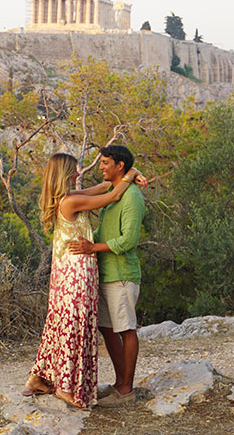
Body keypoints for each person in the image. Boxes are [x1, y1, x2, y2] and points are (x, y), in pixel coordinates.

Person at [23, 153, 141, 408]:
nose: (79, 174)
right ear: (64, 174)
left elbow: (103, 187)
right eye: (74, 171)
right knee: (73, 328)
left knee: (59, 325)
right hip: (76, 274)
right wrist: (130, 174)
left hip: (67, 272)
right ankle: (65, 387)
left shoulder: (67, 198)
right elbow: (111, 196)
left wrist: (128, 173)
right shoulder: (71, 201)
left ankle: (37, 378)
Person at [69, 145, 146, 408]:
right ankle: (119, 383)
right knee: (106, 327)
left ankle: (126, 389)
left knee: (126, 329)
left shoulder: (132, 196)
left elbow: (129, 240)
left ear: (119, 165)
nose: (100, 167)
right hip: (105, 272)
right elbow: (105, 231)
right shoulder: (114, 192)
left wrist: (92, 247)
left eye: (104, 163)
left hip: (122, 274)